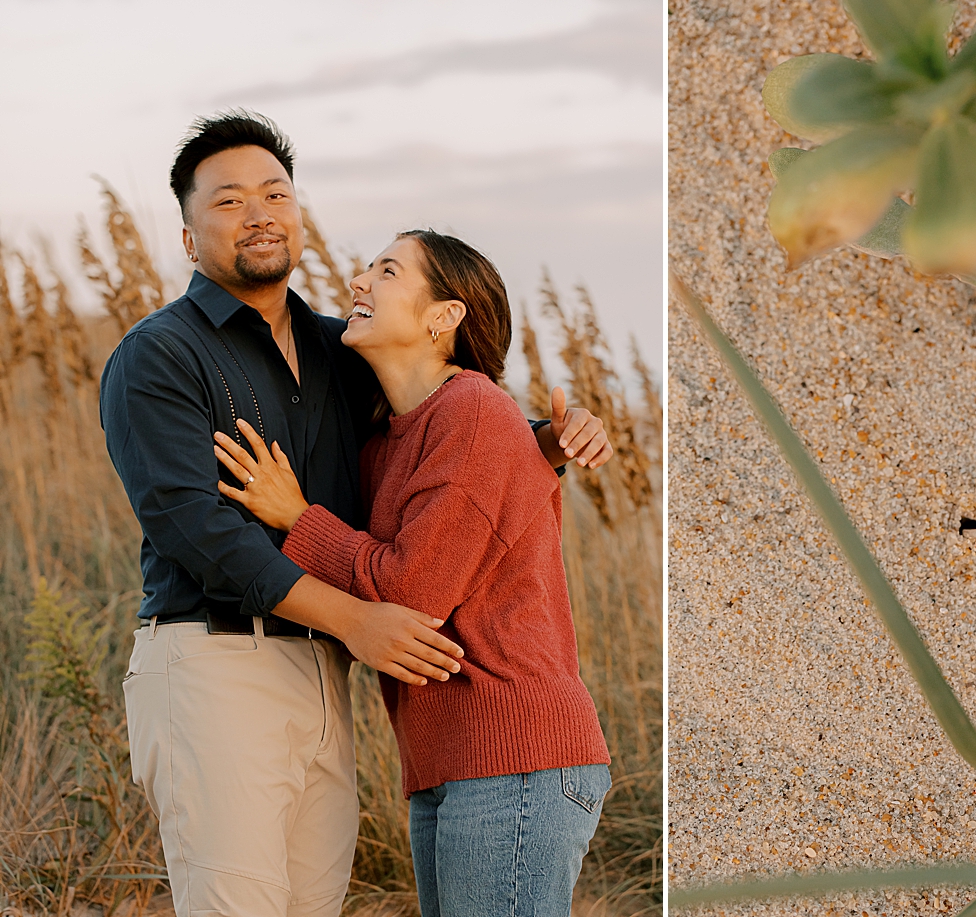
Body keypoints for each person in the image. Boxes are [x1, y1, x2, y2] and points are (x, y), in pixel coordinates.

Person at [99, 110, 613, 916]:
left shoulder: (344, 355)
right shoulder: (161, 352)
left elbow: (455, 420)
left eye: (276, 192)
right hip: (218, 661)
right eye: (229, 201)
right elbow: (192, 528)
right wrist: (358, 617)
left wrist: (543, 440)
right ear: (190, 237)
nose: (260, 211)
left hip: (337, 675)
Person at [215, 229, 611, 916]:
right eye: (368, 269)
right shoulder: (386, 442)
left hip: (515, 754)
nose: (360, 283)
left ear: (444, 316)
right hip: (447, 761)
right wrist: (544, 441)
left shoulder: (474, 410)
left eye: (388, 271)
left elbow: (411, 593)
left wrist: (298, 517)